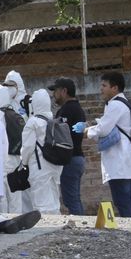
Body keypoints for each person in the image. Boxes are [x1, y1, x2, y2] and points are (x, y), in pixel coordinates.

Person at [75, 72, 131, 218]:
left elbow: (104, 129)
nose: (101, 89)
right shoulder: (122, 104)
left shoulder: (115, 104)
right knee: (128, 199)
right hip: (127, 161)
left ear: (115, 88)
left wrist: (86, 131)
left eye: (104, 85)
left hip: (120, 161)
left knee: (123, 200)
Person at [20, 89, 64, 215]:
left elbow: (27, 147)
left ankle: (46, 228)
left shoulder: (33, 122)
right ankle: (57, 225)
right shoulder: (54, 121)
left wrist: (23, 162)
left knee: (41, 203)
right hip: (55, 167)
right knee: (54, 200)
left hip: (39, 168)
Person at [48, 77, 86, 215]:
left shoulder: (68, 110)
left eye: (56, 91)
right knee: (73, 198)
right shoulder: (77, 109)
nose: (53, 95)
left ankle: (81, 227)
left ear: (64, 91)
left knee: (71, 199)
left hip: (70, 159)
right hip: (77, 158)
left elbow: (60, 137)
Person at [0, 85, 27, 214]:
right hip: (16, 159)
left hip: (1, 159)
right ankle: (17, 219)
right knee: (15, 194)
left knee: (2, 195)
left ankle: (4, 220)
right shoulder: (15, 114)